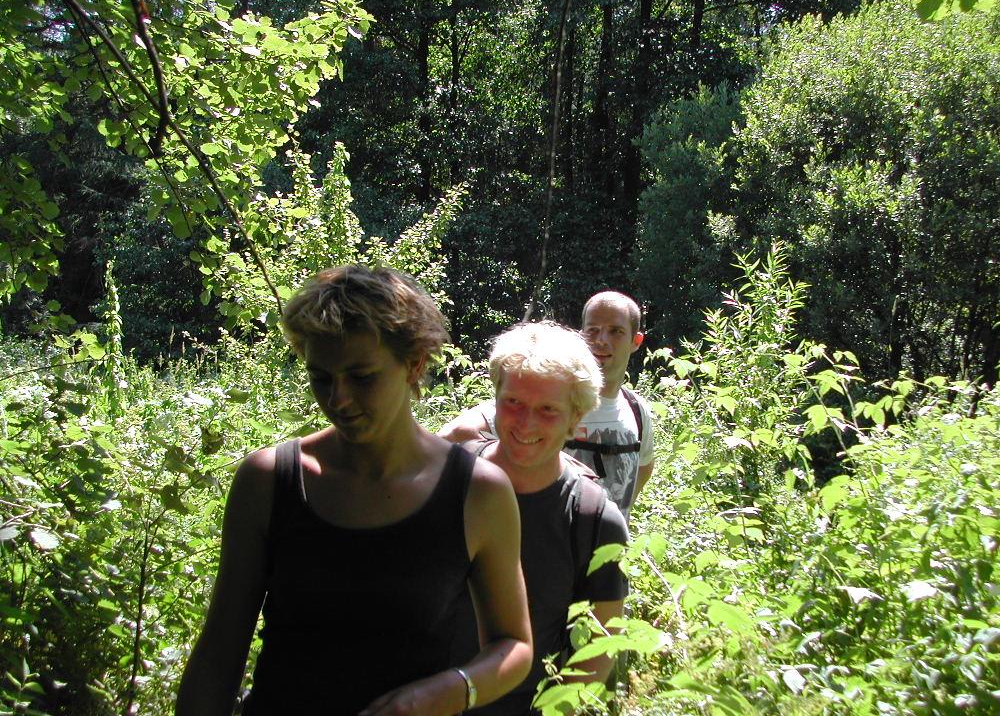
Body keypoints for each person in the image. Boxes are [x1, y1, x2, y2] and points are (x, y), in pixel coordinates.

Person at [176, 266, 532, 716]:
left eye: (362, 377)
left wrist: (445, 693)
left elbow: (513, 645)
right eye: (321, 377)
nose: (338, 399)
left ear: (414, 364)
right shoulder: (270, 481)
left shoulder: (476, 492)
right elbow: (219, 654)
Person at [453, 322, 629, 715]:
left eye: (548, 409)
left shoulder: (593, 519)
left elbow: (600, 649)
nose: (525, 422)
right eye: (513, 402)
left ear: (576, 418)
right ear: (495, 398)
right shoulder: (446, 477)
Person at [440, 291, 655, 519]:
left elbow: (643, 467)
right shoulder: (550, 397)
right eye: (593, 330)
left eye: (615, 331)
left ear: (636, 341)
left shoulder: (636, 410)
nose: (601, 340)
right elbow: (453, 435)